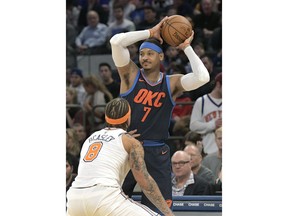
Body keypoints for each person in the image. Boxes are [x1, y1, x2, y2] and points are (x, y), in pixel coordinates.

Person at [109, 16, 210, 213]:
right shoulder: (130, 75)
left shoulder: (171, 83)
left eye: (150, 54)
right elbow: (116, 42)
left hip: (157, 152)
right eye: (141, 54)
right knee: (111, 206)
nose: (144, 57)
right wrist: (150, 32)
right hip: (126, 149)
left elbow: (203, 77)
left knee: (160, 210)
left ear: (161, 57)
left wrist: (186, 47)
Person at [66, 98, 174, 216]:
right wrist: (167, 212)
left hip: (74, 198)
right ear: (128, 117)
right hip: (104, 196)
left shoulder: (91, 138)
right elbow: (145, 183)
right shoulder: (131, 142)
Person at [189, 72, 222, 154]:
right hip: (208, 150)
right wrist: (213, 125)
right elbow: (193, 126)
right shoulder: (202, 101)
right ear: (218, 84)